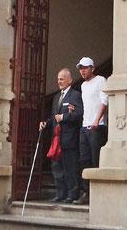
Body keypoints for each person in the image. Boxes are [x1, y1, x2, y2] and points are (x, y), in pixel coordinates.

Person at [38, 68, 82, 203]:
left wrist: (64, 117)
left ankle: (72, 194)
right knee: (56, 168)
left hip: (69, 138)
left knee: (70, 167)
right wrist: (45, 123)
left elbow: (78, 114)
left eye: (62, 79)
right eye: (58, 79)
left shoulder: (75, 95)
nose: (59, 81)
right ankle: (60, 193)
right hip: (56, 139)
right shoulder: (57, 97)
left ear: (69, 80)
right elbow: (53, 117)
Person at [74, 56, 108, 204]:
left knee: (95, 159)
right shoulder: (83, 86)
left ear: (92, 68)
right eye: (81, 68)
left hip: (97, 126)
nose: (82, 71)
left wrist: (97, 120)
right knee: (84, 160)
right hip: (84, 126)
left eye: (85, 67)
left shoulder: (100, 80)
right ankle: (86, 192)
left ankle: (97, 193)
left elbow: (104, 101)